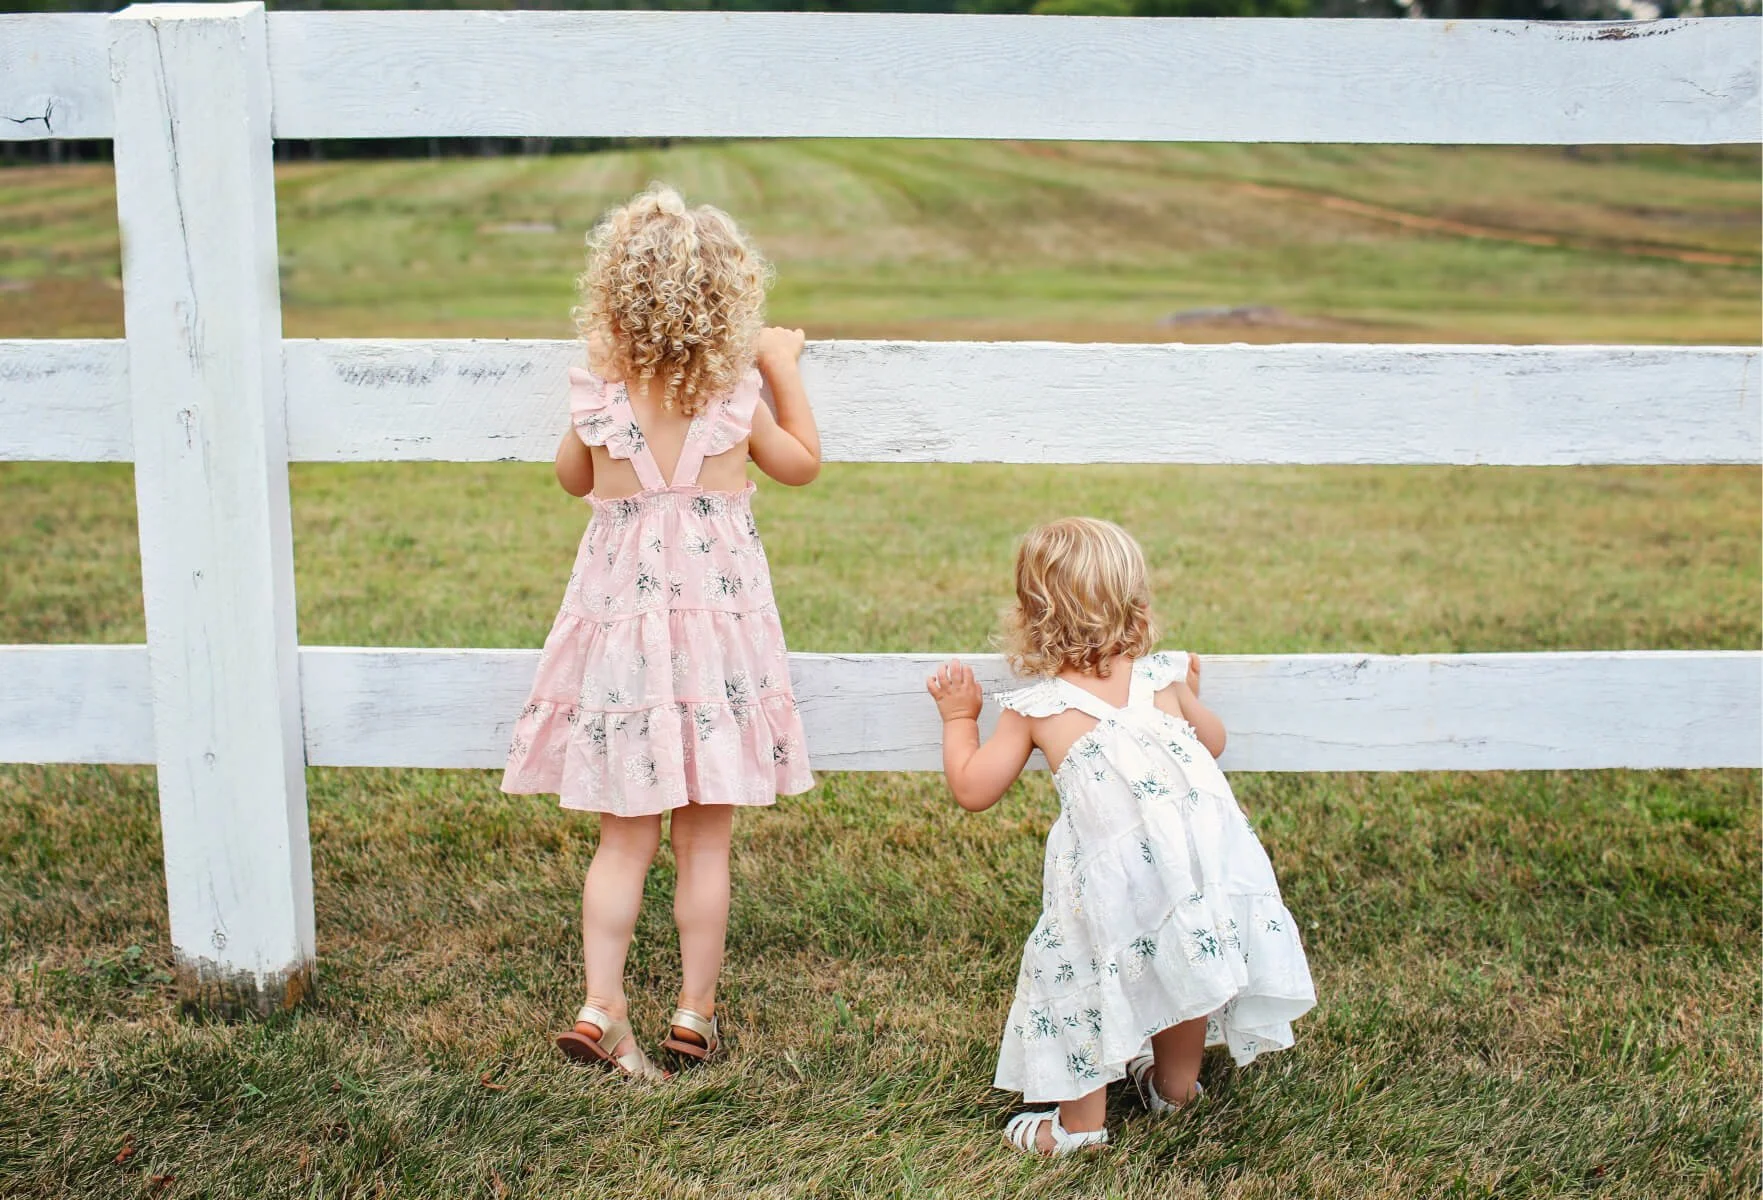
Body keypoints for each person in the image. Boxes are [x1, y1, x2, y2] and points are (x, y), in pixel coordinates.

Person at [504, 184, 820, 1080]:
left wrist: (603, 421)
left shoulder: (600, 402)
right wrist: (781, 365)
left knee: (623, 838)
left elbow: (573, 479)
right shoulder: (733, 398)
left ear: (613, 300)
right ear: (728, 303)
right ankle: (693, 1011)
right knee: (704, 839)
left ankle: (602, 1007)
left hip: (624, 651)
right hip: (716, 649)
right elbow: (800, 465)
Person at [925, 517, 1314, 1154]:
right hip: (1192, 862)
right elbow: (1212, 744)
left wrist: (959, 717)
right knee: (1183, 950)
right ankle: (1176, 1088)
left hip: (1110, 875)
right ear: (1135, 602)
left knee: (1081, 971)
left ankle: (1079, 1126)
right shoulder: (1163, 679)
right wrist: (1191, 693)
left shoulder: (1036, 708)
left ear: (1032, 612)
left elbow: (973, 788)